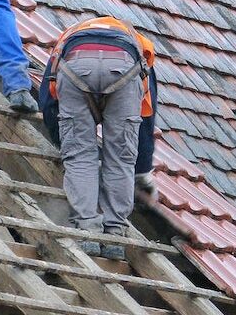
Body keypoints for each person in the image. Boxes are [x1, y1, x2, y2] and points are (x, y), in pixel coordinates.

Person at [39, 17, 158, 259]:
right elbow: (146, 112)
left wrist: (63, 143)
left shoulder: (66, 40)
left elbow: (48, 101)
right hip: (126, 68)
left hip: (75, 66)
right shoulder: (140, 45)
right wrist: (143, 168)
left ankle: (87, 231)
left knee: (81, 157)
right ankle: (114, 234)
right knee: (120, 158)